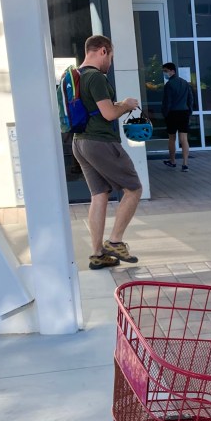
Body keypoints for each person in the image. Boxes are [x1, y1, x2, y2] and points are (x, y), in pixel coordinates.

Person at [71, 34, 143, 270]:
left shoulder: (75, 76)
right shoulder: (95, 77)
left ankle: (97, 254)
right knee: (133, 189)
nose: (110, 63)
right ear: (103, 51)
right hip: (100, 142)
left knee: (99, 196)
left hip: (79, 142)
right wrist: (126, 105)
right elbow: (109, 114)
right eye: (110, 56)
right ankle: (115, 241)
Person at [161, 62, 194, 171]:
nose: (165, 73)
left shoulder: (169, 85)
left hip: (172, 113)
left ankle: (172, 160)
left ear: (172, 71)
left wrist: (165, 114)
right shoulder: (185, 83)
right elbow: (190, 99)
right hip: (184, 112)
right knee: (184, 138)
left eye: (166, 71)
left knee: (172, 138)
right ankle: (185, 164)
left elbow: (167, 102)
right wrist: (189, 111)